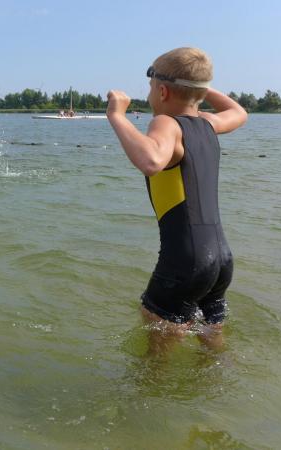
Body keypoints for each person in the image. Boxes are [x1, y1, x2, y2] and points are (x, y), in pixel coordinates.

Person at [106, 47, 248, 353]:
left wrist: (116, 116)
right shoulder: (209, 124)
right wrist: (198, 89)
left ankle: (153, 385)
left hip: (186, 260)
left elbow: (150, 160)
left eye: (150, 86)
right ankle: (216, 378)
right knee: (211, 341)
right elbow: (239, 112)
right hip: (221, 259)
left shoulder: (167, 123)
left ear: (162, 91)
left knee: (155, 351)